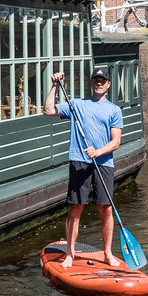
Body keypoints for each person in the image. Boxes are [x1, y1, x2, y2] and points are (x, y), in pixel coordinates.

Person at [45, 69, 123, 267]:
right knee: (75, 209)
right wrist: (55, 85)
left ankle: (107, 253)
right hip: (79, 161)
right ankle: (70, 253)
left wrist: (98, 152)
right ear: (91, 83)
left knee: (105, 209)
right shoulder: (77, 105)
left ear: (108, 84)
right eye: (96, 80)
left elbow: (115, 143)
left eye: (102, 81)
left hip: (103, 163)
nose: (99, 83)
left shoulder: (114, 110)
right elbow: (48, 110)